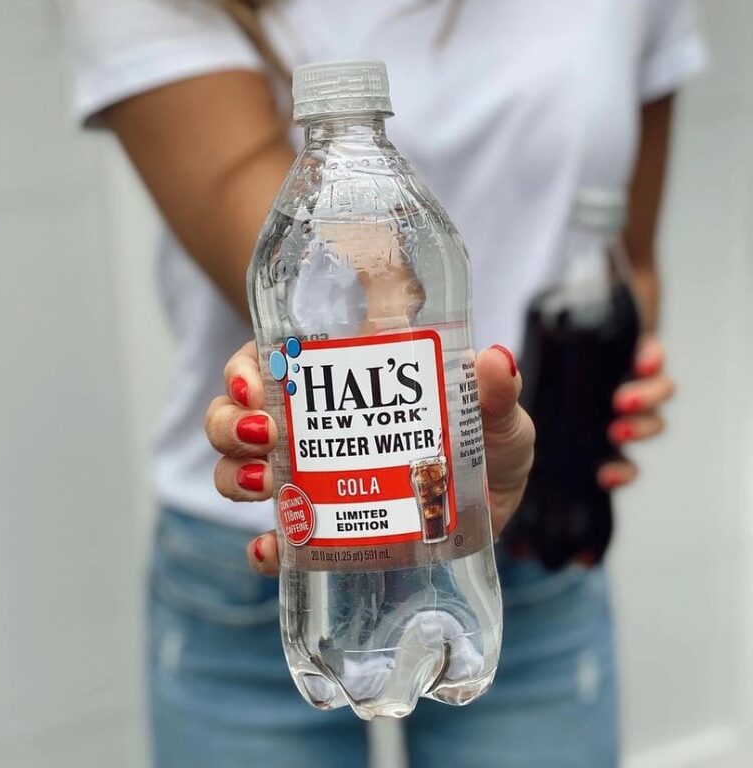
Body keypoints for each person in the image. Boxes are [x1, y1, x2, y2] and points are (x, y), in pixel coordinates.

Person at [65, 1, 706, 766]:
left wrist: (595, 390)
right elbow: (338, 298)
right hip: (281, 555)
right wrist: (460, 449)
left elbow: (629, 262)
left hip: (524, 542)